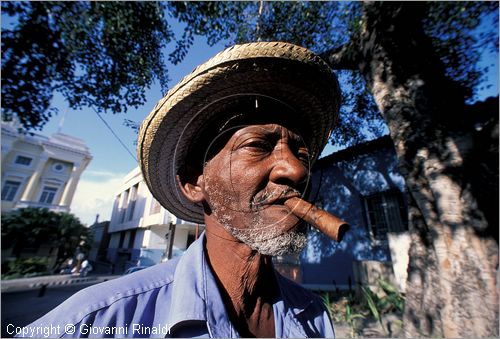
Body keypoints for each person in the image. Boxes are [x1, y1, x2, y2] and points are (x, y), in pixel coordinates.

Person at [18, 41, 341, 338]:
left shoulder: (314, 316)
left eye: (301, 154)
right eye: (257, 145)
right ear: (193, 183)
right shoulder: (99, 322)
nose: (297, 170)